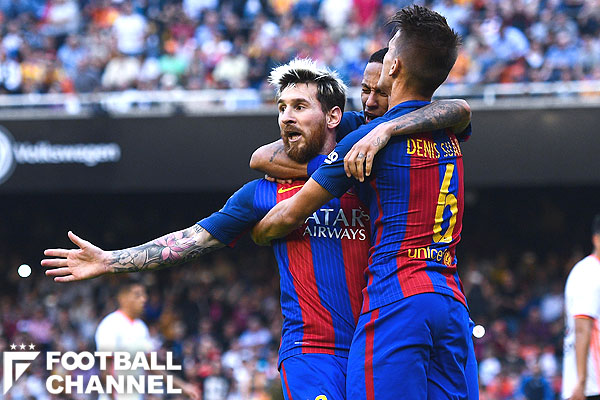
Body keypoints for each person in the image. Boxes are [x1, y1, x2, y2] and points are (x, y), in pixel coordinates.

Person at [43, 58, 470, 399]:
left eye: (299, 106)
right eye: (282, 108)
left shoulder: (365, 172)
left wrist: (387, 129)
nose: (286, 117)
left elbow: (452, 113)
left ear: (334, 116)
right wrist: (111, 261)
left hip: (372, 343)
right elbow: (192, 239)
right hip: (311, 352)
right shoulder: (260, 193)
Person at [252, 5, 471, 399]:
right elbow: (461, 109)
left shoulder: (366, 142)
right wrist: (386, 127)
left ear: (394, 66)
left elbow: (290, 213)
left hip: (396, 297)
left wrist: (259, 231)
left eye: (389, 51)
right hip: (450, 299)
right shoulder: (450, 131)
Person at [95, 280, 200, 400]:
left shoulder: (141, 327)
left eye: (144, 295)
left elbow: (151, 366)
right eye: (137, 295)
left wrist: (183, 387)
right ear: (123, 298)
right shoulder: (110, 324)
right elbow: (105, 371)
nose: (144, 299)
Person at [562, 214, 600, 400]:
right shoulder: (589, 272)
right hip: (591, 386)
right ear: (597, 239)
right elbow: (582, 328)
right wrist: (581, 381)